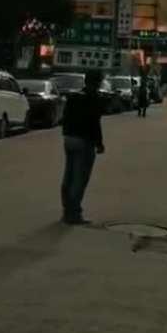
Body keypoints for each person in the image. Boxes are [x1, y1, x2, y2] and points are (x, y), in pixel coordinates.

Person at [60, 69, 105, 225]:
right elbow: (95, 123)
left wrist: (66, 133)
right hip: (84, 141)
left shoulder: (74, 97)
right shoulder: (94, 98)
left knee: (69, 175)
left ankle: (66, 211)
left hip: (69, 139)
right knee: (80, 178)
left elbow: (64, 118)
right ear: (97, 82)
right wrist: (99, 144)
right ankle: (73, 214)